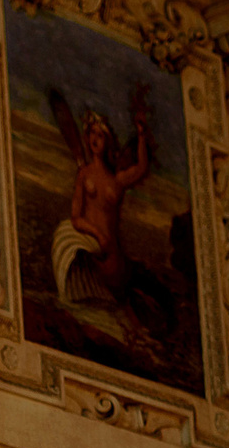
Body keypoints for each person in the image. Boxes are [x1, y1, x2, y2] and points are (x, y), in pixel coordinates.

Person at [48, 82, 154, 308]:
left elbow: (142, 167)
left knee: (115, 301)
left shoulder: (117, 180)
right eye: (92, 133)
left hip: (111, 254)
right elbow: (76, 217)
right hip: (88, 244)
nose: (95, 138)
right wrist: (97, 234)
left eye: (100, 135)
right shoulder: (84, 174)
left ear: (107, 141)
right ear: (87, 138)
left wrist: (142, 135)